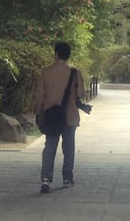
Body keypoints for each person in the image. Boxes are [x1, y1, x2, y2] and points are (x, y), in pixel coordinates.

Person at [34, 41, 88, 193]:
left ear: (56, 54)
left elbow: (40, 96)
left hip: (51, 116)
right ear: (68, 55)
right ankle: (67, 178)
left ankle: (45, 179)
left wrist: (38, 112)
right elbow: (81, 94)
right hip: (69, 116)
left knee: (50, 146)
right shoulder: (74, 73)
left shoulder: (46, 72)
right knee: (68, 147)